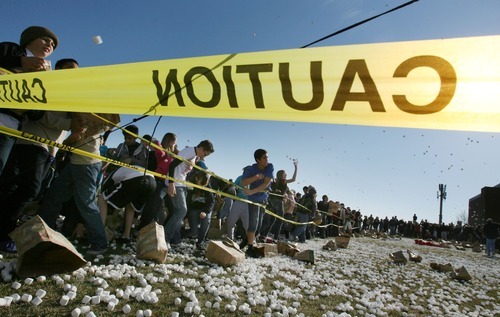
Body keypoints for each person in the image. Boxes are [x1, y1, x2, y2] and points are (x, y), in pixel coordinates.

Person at [0, 59, 78, 252]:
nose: (72, 75)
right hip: (31, 142)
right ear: (57, 70)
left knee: (27, 189)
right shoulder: (47, 86)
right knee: (26, 188)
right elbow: (38, 114)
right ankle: (5, 232)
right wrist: (69, 125)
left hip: (48, 149)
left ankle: (6, 229)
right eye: (68, 70)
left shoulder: (71, 94)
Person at [38, 102, 113, 255]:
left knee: (86, 204)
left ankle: (100, 243)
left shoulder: (83, 116)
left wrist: (61, 147)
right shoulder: (92, 115)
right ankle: (46, 234)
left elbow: (75, 136)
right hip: (78, 163)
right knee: (54, 196)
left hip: (86, 165)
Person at [0, 26, 58, 175]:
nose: (49, 45)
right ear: (29, 40)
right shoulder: (11, 49)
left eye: (52, 45)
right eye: (45, 39)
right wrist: (20, 61)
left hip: (10, 128)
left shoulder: (46, 75)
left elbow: (37, 111)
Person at [164, 140, 214, 247]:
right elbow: (172, 165)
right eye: (205, 154)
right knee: (182, 211)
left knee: (177, 212)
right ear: (201, 149)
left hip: (181, 183)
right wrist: (171, 183)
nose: (204, 157)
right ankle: (165, 238)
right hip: (176, 183)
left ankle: (175, 239)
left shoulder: (193, 155)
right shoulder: (189, 152)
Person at [98, 166, 156, 242]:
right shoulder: (125, 169)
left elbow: (104, 190)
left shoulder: (111, 176)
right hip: (152, 183)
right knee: (130, 205)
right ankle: (126, 236)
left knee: (102, 198)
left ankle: (99, 233)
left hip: (137, 180)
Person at [137, 132, 177, 231]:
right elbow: (156, 147)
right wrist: (154, 141)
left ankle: (161, 230)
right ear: (170, 141)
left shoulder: (171, 153)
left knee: (169, 209)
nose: (175, 143)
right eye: (174, 141)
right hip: (159, 181)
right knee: (152, 206)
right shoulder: (160, 150)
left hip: (167, 183)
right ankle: (142, 228)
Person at [241, 149, 274, 258]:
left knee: (260, 226)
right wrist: (256, 177)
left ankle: (246, 240)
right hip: (254, 200)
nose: (267, 160)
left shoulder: (270, 167)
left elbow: (265, 184)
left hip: (263, 199)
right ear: (258, 160)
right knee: (253, 223)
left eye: (267, 157)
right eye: (264, 158)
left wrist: (251, 191)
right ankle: (250, 248)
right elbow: (243, 182)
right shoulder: (251, 169)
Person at [259, 160, 298, 242]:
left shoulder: (274, 181)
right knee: (280, 221)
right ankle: (275, 238)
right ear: (282, 175)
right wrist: (296, 167)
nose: (286, 175)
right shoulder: (283, 181)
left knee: (272, 220)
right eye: (285, 174)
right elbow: (294, 179)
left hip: (272, 202)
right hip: (279, 202)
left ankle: (264, 235)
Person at [182, 169, 215, 250]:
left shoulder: (207, 186)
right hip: (193, 209)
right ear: (197, 178)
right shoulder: (190, 185)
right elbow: (187, 202)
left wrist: (206, 211)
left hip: (204, 209)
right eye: (201, 183)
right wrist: (186, 216)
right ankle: (178, 235)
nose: (203, 186)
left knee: (206, 221)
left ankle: (200, 243)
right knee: (194, 231)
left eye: (205, 184)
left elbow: (211, 201)